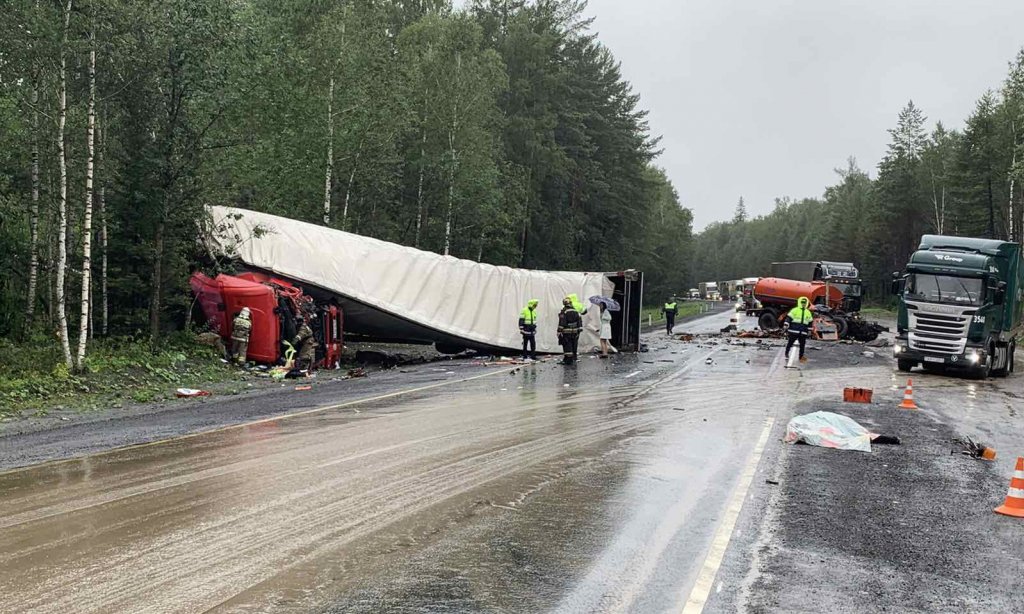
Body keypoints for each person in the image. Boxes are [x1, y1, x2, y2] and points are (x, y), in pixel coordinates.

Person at [784, 296, 814, 363]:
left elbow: (810, 322)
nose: (803, 304)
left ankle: (801, 357)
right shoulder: (795, 310)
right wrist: (786, 324)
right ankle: (786, 353)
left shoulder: (808, 312)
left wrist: (809, 330)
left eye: (805, 303)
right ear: (800, 302)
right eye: (802, 302)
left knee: (802, 345)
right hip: (794, 331)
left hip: (803, 332)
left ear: (806, 303)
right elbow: (789, 318)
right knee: (790, 343)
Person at [557, 297, 583, 365]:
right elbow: (579, 321)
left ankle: (568, 360)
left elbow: (562, 322)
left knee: (567, 345)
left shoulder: (564, 311)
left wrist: (559, 331)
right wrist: (579, 330)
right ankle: (572, 358)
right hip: (575, 332)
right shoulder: (576, 311)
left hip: (566, 332)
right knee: (574, 345)